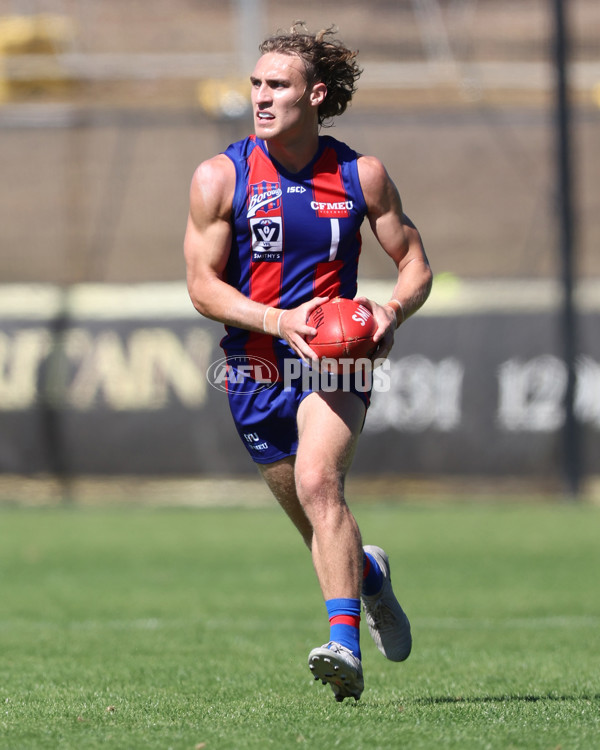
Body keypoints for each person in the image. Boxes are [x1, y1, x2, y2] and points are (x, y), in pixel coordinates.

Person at [184, 23, 432, 702]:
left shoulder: (361, 175)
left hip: (336, 360)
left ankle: (344, 649)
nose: (260, 97)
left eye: (278, 86)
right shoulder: (221, 176)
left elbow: (413, 265)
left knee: (323, 484)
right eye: (257, 84)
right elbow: (202, 285)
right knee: (315, 522)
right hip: (256, 367)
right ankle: (372, 579)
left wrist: (390, 311)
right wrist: (276, 320)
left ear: (315, 94)